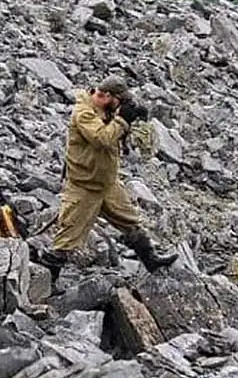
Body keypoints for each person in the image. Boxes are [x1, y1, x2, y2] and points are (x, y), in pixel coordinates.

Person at [39, 75, 178, 282]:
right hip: (84, 185)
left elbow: (117, 135)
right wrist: (122, 120)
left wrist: (134, 118)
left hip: (107, 183)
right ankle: (47, 282)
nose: (119, 106)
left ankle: (151, 260)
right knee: (67, 237)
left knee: (130, 222)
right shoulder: (83, 113)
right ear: (105, 96)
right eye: (118, 101)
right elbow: (101, 138)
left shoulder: (106, 109)